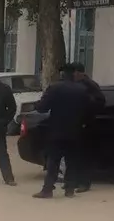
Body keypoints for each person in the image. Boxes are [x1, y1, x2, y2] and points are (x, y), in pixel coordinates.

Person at [33, 64, 92, 199]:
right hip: (75, 131)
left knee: (53, 161)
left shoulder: (55, 88)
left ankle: (48, 189)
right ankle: (70, 189)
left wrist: (36, 104)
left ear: (63, 75)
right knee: (72, 161)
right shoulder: (82, 90)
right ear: (73, 75)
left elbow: (42, 107)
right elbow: (88, 110)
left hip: (57, 131)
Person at [68, 61, 104, 193]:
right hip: (75, 124)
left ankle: (84, 182)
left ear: (80, 73)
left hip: (86, 125)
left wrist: (86, 111)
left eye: (74, 72)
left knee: (84, 155)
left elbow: (100, 102)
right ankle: (76, 181)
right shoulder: (75, 85)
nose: (73, 75)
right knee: (75, 155)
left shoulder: (90, 85)